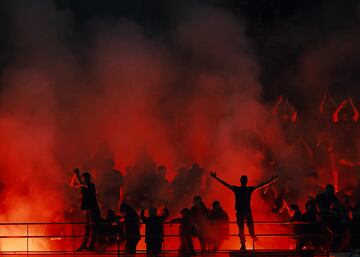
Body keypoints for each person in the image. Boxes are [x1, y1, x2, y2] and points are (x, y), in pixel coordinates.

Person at [210, 172, 278, 250]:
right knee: (251, 231)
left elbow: (225, 184)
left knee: (241, 229)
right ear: (246, 181)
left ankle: (244, 245)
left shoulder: (237, 189)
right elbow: (261, 185)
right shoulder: (249, 189)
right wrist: (271, 181)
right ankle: (259, 243)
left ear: (240, 181)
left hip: (240, 212)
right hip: (247, 211)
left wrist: (216, 178)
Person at [70, 168, 101, 251]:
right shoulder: (84, 185)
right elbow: (72, 184)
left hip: (93, 208)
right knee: (87, 228)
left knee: (93, 227)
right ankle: (84, 245)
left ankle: (92, 246)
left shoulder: (91, 185)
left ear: (87, 178)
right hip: (88, 209)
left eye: (83, 178)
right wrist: (75, 175)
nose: (82, 179)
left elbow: (80, 183)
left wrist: (77, 174)